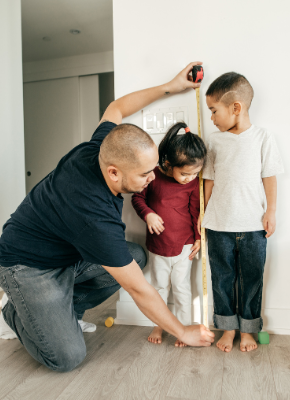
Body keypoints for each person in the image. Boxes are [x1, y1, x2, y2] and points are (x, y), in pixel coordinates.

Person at [0, 62, 216, 372]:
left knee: (135, 256)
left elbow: (116, 107)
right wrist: (182, 331)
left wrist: (171, 86)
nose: (152, 179)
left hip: (64, 253)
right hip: (26, 264)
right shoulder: (94, 216)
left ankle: (64, 312)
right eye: (144, 174)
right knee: (67, 357)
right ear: (114, 173)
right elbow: (138, 289)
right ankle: (12, 311)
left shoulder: (101, 148)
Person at [202, 72, 284, 352]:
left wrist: (271, 212)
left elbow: (270, 177)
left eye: (214, 111)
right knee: (221, 278)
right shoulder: (213, 141)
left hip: (253, 226)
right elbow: (208, 180)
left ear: (236, 107)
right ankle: (227, 328)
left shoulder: (263, 137)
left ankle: (248, 329)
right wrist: (202, 216)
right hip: (218, 225)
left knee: (251, 280)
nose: (211, 118)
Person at [131, 122, 206, 346]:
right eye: (185, 173)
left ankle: (183, 328)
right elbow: (137, 198)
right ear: (167, 163)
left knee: (182, 287)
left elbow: (195, 212)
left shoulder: (193, 184)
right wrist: (148, 215)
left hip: (184, 246)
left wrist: (198, 238)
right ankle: (159, 324)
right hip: (158, 247)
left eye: (195, 173)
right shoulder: (153, 176)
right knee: (160, 287)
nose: (190, 178)